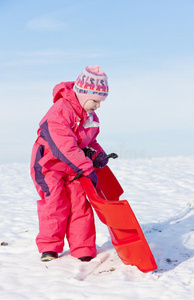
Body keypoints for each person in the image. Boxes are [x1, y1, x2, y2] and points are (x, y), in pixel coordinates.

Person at [30, 65, 109, 262]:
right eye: (96, 101)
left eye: (101, 102)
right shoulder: (60, 112)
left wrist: (98, 156)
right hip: (49, 165)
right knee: (55, 204)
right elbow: (63, 146)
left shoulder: (90, 117)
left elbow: (90, 141)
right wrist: (86, 167)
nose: (98, 106)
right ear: (83, 94)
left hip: (74, 168)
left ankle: (83, 248)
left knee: (80, 204)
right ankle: (49, 247)